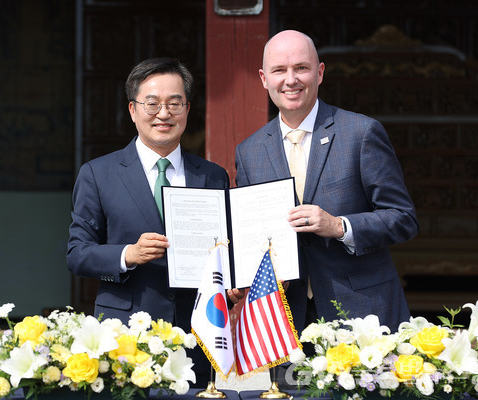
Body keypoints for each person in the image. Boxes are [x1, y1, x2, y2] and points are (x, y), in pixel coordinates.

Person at [235, 30, 419, 332]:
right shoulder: (250, 151)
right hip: (284, 318)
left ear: (319, 73)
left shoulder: (361, 133)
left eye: (301, 68)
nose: (290, 80)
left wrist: (339, 226)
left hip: (360, 311)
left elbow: (404, 219)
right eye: (279, 70)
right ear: (264, 78)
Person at [67, 57, 230, 385]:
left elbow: (226, 250)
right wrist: (128, 254)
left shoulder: (212, 176)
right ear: (132, 109)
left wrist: (231, 280)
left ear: (187, 108)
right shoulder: (98, 174)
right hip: (126, 335)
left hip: (196, 333)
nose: (164, 113)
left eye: (175, 103)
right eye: (152, 103)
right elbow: (77, 253)